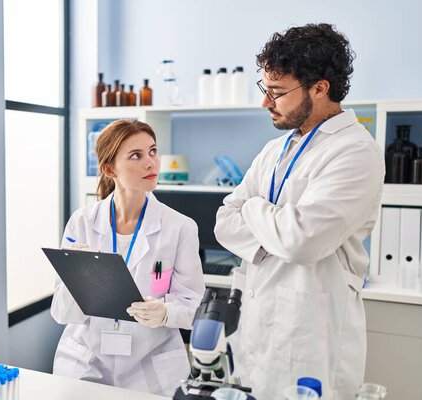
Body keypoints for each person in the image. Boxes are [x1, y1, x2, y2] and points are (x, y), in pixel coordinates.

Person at [214, 23, 384, 400]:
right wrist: (274, 235)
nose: (265, 102)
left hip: (312, 340)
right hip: (256, 333)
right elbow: (224, 219)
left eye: (276, 92)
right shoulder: (274, 151)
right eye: (265, 90)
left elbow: (303, 242)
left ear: (320, 88)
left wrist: (256, 208)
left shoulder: (355, 152)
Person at [51, 119, 205, 396]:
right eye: (136, 155)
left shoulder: (180, 227)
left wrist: (165, 311)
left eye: (153, 151)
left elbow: (193, 304)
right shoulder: (82, 222)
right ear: (110, 169)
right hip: (87, 363)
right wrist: (78, 278)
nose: (151, 163)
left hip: (151, 367)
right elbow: (61, 312)